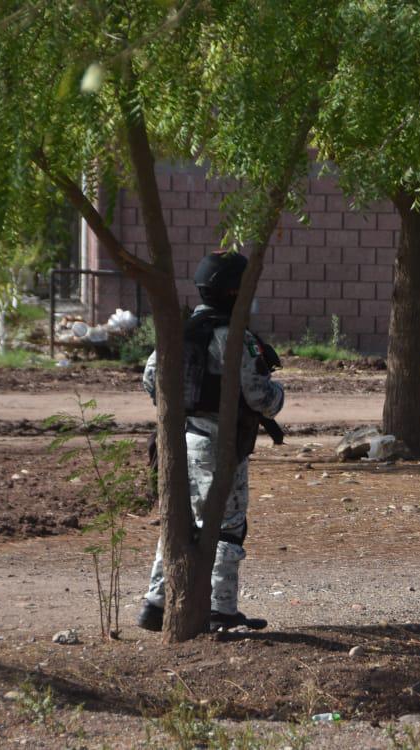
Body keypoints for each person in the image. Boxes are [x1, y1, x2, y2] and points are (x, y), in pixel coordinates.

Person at [136, 251, 285, 632]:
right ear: (235, 291)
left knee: (179, 524)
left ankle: (156, 602)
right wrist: (278, 393)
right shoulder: (233, 338)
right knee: (226, 527)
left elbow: (151, 379)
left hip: (176, 443)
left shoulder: (180, 330)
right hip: (218, 447)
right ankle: (220, 611)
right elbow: (261, 399)